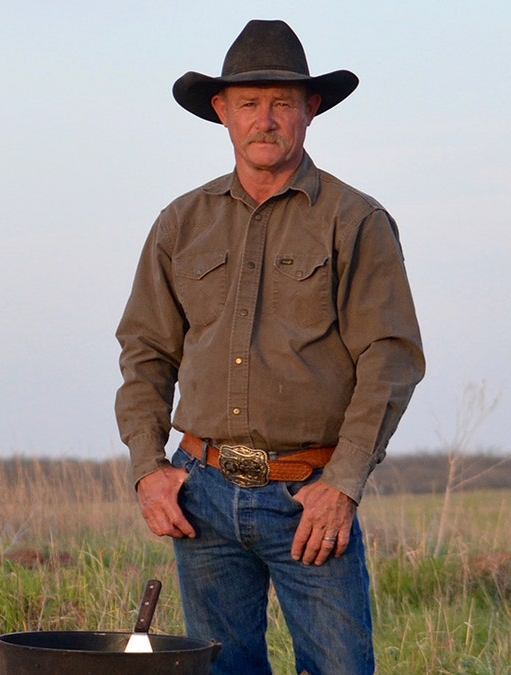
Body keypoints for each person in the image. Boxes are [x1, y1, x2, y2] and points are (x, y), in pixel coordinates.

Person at [114, 19, 425, 675]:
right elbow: (144, 353)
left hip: (310, 496)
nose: (266, 119)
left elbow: (389, 359)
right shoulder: (180, 222)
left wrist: (343, 482)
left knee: (338, 667)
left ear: (311, 109)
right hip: (200, 494)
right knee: (223, 668)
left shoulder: (355, 220)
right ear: (221, 111)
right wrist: (149, 466)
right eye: (249, 103)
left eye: (283, 102)